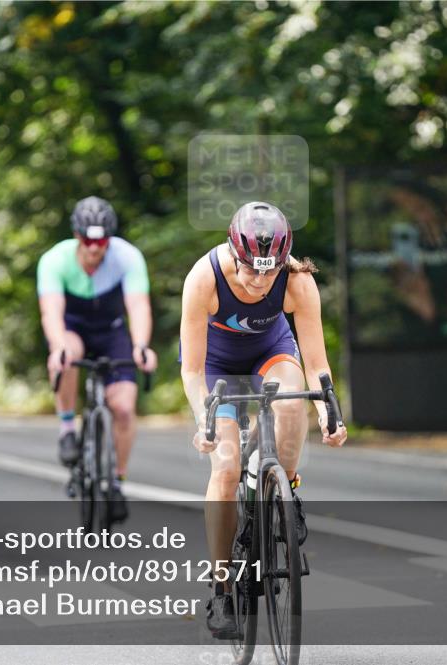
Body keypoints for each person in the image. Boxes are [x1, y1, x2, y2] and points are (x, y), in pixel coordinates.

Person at [179, 201, 348, 639]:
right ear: (234, 254)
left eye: (269, 272)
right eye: (250, 269)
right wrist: (205, 420)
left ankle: (283, 490)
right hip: (217, 366)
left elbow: (316, 364)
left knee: (292, 403)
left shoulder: (298, 280)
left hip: (269, 353)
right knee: (227, 466)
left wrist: (330, 411)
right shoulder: (203, 278)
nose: (259, 281)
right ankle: (221, 587)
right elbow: (193, 371)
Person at [37, 196, 157, 523]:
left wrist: (142, 345)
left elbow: (138, 306)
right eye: (88, 240)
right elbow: (51, 312)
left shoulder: (127, 257)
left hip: (112, 330)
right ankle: (66, 429)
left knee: (123, 406)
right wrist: (57, 345)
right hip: (73, 328)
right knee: (65, 357)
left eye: (101, 240)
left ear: (110, 238)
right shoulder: (55, 260)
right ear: (77, 236)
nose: (94, 247)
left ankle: (116, 480)